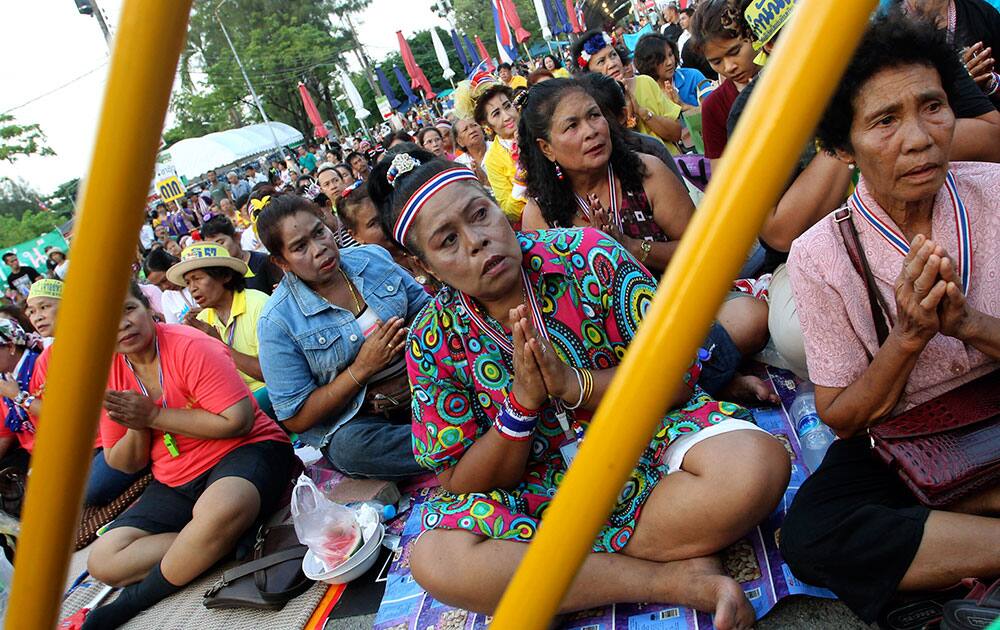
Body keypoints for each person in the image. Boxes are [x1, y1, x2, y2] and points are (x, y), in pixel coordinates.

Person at [367, 150, 790, 627]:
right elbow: (459, 480)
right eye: (447, 241)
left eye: (480, 214)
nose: (477, 241)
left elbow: (678, 374)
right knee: (437, 560)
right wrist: (521, 408)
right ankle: (672, 580)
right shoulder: (431, 339)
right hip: (539, 488)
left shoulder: (589, 253)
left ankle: (565, 571)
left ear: (494, 202)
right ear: (424, 266)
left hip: (648, 439)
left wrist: (575, 385)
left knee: (757, 466)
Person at [779, 16, 1000, 625]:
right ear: (844, 146)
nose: (919, 138)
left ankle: (953, 540)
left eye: (932, 106)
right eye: (884, 120)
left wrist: (970, 323)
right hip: (911, 437)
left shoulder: (995, 195)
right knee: (811, 534)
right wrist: (906, 339)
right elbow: (843, 417)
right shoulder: (821, 254)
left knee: (883, 541)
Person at [78, 283, 292, 629]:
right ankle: (217, 539)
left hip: (245, 450)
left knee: (222, 508)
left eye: (128, 310)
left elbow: (238, 421)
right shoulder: (107, 374)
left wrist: (151, 416)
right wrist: (136, 424)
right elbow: (124, 463)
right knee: (104, 560)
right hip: (175, 477)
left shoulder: (190, 345)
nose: (122, 325)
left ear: (148, 307)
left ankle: (133, 601)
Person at [254, 193, 430, 479]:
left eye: (319, 232)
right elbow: (296, 417)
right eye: (300, 247)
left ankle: (447, 437)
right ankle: (456, 441)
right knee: (351, 448)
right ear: (281, 261)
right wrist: (362, 369)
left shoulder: (372, 259)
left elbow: (428, 311)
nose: (319, 249)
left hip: (428, 387)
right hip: (364, 422)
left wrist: (414, 367)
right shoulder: (278, 321)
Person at [519, 79, 693, 273]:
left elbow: (700, 247)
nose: (591, 131)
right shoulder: (540, 214)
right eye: (572, 126)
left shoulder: (647, 172)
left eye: (594, 115)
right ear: (547, 148)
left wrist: (629, 246)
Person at [166, 243, 272, 416]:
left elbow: (274, 375)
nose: (192, 288)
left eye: (198, 278)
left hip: (266, 396)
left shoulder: (259, 305)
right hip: (230, 403)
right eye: (188, 282)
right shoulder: (201, 320)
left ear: (225, 276)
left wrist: (220, 346)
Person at [571, 30, 684, 152]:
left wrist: (643, 113)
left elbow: (676, 133)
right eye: (601, 61)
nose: (612, 63)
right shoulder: (595, 105)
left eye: (613, 55)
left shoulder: (645, 82)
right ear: (589, 73)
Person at [689, 0, 762, 167]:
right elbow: (722, 175)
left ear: (752, 34)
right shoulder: (713, 107)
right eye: (716, 62)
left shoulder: (790, 68)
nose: (729, 67)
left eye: (734, 52)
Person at [336, 176, 438, 292]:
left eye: (385, 212)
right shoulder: (374, 278)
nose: (386, 223)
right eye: (374, 223)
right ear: (356, 236)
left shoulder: (422, 241)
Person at [454, 72, 526, 223]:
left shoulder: (537, 128)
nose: (507, 116)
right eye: (496, 114)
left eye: (507, 106)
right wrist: (521, 179)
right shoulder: (493, 159)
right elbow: (509, 213)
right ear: (487, 125)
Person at [199, 215, 283, 294]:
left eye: (221, 243)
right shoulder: (219, 276)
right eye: (212, 248)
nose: (218, 250)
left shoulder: (263, 262)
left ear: (236, 237)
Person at [634, 32, 708, 109]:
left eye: (670, 54)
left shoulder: (693, 77)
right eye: (662, 59)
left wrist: (682, 106)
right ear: (648, 63)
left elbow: (714, 110)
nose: (670, 62)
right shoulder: (645, 93)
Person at [143, 248, 196, 324]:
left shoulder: (196, 282)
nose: (164, 287)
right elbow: (174, 329)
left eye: (164, 280)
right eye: (158, 285)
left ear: (173, 266)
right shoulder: (167, 297)